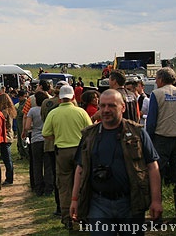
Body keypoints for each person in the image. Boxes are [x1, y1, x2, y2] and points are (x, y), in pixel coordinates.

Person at [70, 89, 163, 235]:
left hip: (130, 203)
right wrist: (75, 199)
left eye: (112, 106)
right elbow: (80, 169)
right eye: (103, 106)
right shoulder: (89, 135)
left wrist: (156, 200)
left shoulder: (137, 133)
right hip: (99, 203)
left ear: (123, 107)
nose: (106, 110)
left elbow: (152, 167)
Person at [146, 67, 176, 223]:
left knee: (156, 177)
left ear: (160, 80)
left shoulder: (157, 94)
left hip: (161, 139)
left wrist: (149, 140)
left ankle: (157, 216)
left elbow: (152, 121)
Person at [42, 85, 92, 229]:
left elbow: (46, 133)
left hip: (62, 151)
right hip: (79, 152)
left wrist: (57, 137)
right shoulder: (81, 112)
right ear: (73, 97)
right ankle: (82, 216)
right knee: (81, 184)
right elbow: (89, 131)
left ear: (59, 98)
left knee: (64, 186)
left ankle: (67, 218)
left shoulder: (53, 113)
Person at [25, 91, 52, 196]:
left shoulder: (32, 110)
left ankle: (38, 188)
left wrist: (33, 127)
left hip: (36, 139)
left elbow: (27, 127)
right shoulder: (49, 110)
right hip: (47, 139)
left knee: (37, 165)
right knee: (48, 165)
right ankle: (49, 188)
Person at [0, 93, 17, 185]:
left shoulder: (4, 112)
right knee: (7, 158)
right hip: (9, 135)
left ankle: (9, 178)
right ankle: (9, 177)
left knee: (7, 158)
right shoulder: (10, 110)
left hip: (5, 137)